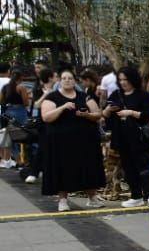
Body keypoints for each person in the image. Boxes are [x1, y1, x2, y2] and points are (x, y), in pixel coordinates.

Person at [38, 68, 105, 211]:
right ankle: (63, 200)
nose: (67, 81)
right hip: (60, 142)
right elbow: (46, 117)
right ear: (59, 80)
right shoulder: (52, 97)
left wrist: (86, 115)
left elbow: (98, 114)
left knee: (87, 167)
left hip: (84, 140)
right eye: (64, 78)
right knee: (62, 169)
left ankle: (92, 197)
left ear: (75, 81)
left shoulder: (84, 96)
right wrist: (63, 107)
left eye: (70, 78)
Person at [105, 65, 149, 206]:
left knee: (143, 165)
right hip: (121, 136)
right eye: (120, 80)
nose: (123, 82)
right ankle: (136, 195)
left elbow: (147, 115)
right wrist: (109, 109)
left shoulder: (142, 95)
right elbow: (105, 115)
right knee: (128, 167)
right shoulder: (116, 95)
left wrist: (131, 113)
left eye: (125, 79)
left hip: (138, 136)